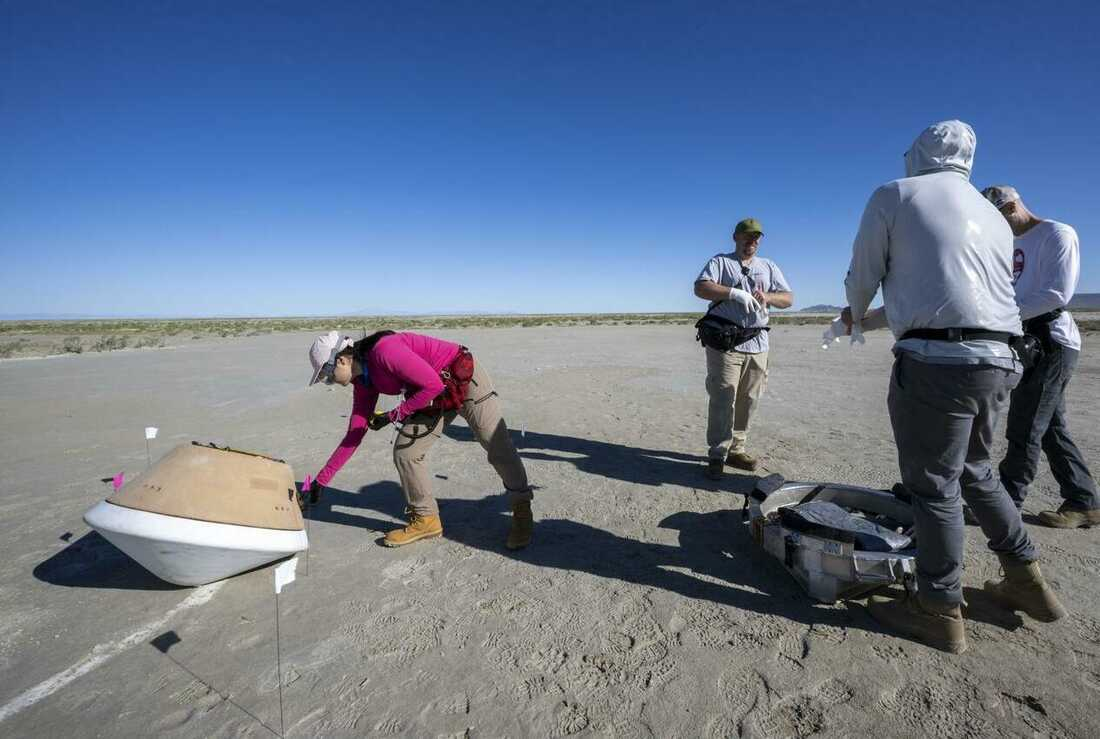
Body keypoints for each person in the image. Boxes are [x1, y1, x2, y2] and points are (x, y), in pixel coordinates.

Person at [843, 120, 1064, 654]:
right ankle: (1027, 580)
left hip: (938, 362)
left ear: (917, 152)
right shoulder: (988, 211)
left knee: (934, 485)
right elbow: (951, 287)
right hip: (1000, 358)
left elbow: (863, 274)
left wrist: (852, 314)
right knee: (977, 471)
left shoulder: (895, 194)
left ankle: (939, 606)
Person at [307, 329, 534, 549]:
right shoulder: (363, 382)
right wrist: (321, 481)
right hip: (434, 397)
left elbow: (432, 384)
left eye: (327, 377)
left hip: (463, 379)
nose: (330, 382)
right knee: (406, 453)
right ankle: (427, 521)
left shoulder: (384, 352)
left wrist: (393, 415)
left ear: (341, 361)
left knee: (496, 445)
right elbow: (354, 434)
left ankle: (522, 508)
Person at [979, 185, 1100, 528]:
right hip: (1028, 340)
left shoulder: (1056, 234)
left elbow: (1057, 293)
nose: (1000, 224)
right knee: (1050, 428)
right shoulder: (1011, 243)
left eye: (1002, 215)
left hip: (1053, 341)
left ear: (1014, 205)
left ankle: (1003, 507)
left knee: (1025, 425)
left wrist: (1003, 315)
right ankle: (1084, 501)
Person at [694, 218, 793, 479]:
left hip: (758, 343)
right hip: (725, 343)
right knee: (723, 396)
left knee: (749, 399)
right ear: (736, 237)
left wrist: (768, 297)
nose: (753, 241)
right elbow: (701, 287)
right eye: (748, 236)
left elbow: (788, 298)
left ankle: (737, 449)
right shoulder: (720, 262)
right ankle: (718, 452)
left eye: (757, 237)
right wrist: (734, 294)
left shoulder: (769, 266)